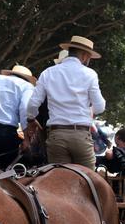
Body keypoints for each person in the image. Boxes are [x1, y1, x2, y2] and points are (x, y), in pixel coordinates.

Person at [27, 35, 106, 169]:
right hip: (80, 136)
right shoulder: (90, 74)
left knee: (59, 182)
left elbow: (33, 104)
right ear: (85, 56)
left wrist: (30, 119)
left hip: (56, 136)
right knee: (89, 181)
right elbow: (99, 107)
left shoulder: (47, 73)